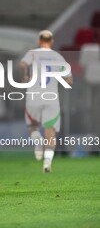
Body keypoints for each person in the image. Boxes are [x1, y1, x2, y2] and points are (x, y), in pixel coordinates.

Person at [19, 30, 73, 172]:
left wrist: (25, 77)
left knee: (32, 126)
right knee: (51, 132)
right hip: (51, 98)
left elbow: (22, 65)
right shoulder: (58, 57)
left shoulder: (32, 53)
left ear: (39, 41)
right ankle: (47, 163)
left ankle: (37, 140)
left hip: (33, 96)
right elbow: (69, 80)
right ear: (52, 42)